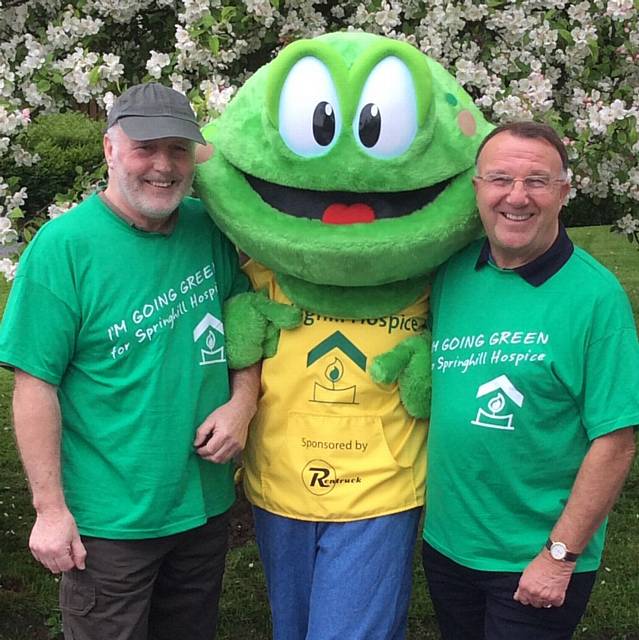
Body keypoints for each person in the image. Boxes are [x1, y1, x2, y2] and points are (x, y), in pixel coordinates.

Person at [0, 83, 259, 640]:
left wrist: (243, 400)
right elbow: (34, 384)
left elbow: (244, 324)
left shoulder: (208, 229)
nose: (163, 165)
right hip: (110, 525)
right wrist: (49, 511)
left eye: (178, 149)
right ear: (110, 150)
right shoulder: (63, 247)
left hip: (202, 507)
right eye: (146, 147)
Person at [422, 121, 639, 640]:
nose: (516, 197)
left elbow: (615, 440)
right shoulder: (452, 274)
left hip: (534, 557)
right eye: (500, 179)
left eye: (537, 182)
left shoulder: (594, 297)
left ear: (564, 192)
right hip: (449, 547)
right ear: (476, 188)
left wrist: (559, 556)